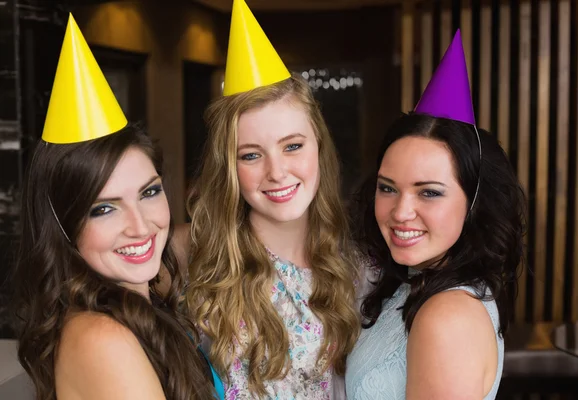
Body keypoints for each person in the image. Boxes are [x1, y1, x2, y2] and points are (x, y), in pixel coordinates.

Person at [12, 15, 223, 400]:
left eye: (148, 193)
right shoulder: (102, 338)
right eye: (104, 209)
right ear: (63, 225)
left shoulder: (138, 299)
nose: (140, 226)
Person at [179, 0, 361, 398]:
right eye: (250, 155)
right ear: (230, 167)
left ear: (318, 146)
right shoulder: (192, 261)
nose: (276, 172)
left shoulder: (355, 263)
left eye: (292, 146)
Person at [345, 30, 526, 399]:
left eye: (429, 192)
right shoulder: (414, 283)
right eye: (388, 187)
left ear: (474, 202)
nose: (401, 212)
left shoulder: (447, 317)